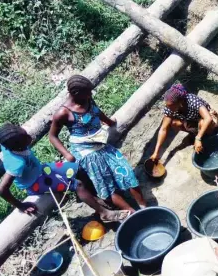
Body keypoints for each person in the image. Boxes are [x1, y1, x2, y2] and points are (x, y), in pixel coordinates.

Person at [0, 124, 128, 222]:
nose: (30, 137)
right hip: (36, 183)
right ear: (17, 145)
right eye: (26, 138)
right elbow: (2, 189)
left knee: (77, 168)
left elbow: (0, 142)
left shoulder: (8, 142)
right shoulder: (17, 163)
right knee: (77, 184)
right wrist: (20, 206)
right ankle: (104, 213)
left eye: (26, 134)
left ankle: (96, 197)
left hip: (42, 169)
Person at [49, 75, 146, 212]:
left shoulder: (86, 98)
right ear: (76, 93)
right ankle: (133, 213)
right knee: (107, 186)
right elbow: (52, 136)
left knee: (127, 173)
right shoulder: (63, 113)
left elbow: (96, 110)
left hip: (102, 144)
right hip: (87, 153)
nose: (90, 94)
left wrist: (109, 121)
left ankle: (144, 208)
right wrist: (67, 155)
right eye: (87, 92)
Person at [150, 84, 218, 161]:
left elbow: (208, 118)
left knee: (202, 123)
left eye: (171, 106)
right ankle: (195, 134)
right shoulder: (170, 107)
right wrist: (156, 152)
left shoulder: (192, 101)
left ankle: (206, 137)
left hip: (208, 120)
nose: (168, 108)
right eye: (167, 106)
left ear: (180, 102)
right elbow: (163, 129)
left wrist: (198, 138)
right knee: (174, 123)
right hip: (192, 120)